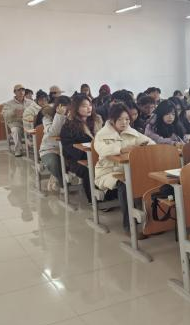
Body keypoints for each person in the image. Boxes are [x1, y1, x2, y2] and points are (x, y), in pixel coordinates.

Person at [94, 103, 154, 237]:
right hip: (108, 172)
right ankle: (129, 226)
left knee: (148, 180)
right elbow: (102, 150)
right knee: (125, 185)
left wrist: (144, 147)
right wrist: (122, 149)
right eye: (120, 119)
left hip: (128, 170)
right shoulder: (102, 134)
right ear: (112, 120)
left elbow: (151, 143)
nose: (124, 122)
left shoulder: (131, 132)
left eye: (127, 119)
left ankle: (151, 222)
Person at [60, 93, 103, 202]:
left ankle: (110, 195)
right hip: (77, 160)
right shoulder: (69, 125)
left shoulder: (97, 121)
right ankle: (93, 199)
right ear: (76, 108)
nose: (89, 108)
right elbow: (69, 148)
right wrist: (88, 155)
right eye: (84, 106)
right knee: (89, 169)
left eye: (90, 105)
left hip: (99, 155)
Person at [39, 95, 70, 191]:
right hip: (49, 149)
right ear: (58, 107)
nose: (66, 110)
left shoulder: (72, 116)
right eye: (64, 107)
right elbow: (53, 132)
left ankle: (56, 177)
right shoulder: (47, 117)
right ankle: (63, 185)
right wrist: (59, 115)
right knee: (55, 163)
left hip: (66, 149)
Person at [2, 84, 32, 157]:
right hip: (15, 123)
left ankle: (36, 147)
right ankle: (18, 150)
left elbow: (36, 111)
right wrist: (13, 112)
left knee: (39, 127)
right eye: (19, 90)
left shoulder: (30, 102)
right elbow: (5, 115)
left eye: (23, 90)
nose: (21, 92)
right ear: (14, 92)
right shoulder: (8, 103)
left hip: (28, 123)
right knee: (15, 130)